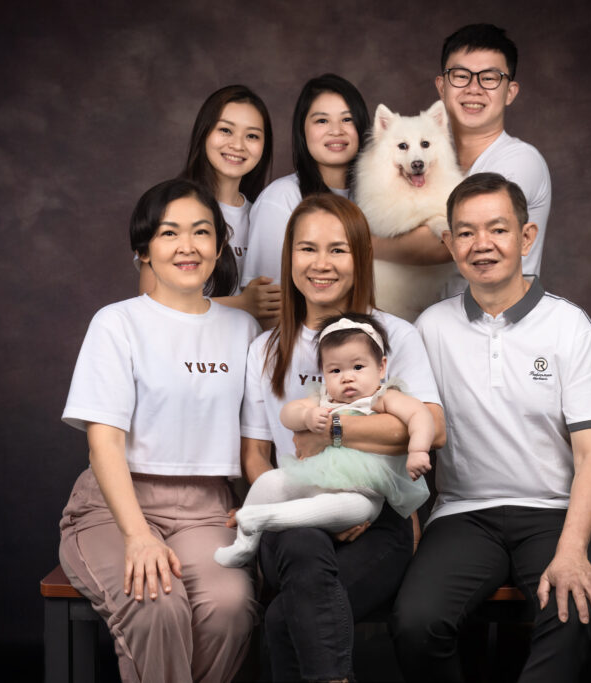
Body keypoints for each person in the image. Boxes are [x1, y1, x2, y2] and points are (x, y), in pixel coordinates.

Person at [390, 173, 591, 682]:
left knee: (569, 611)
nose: (482, 245)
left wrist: (572, 550)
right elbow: (399, 422)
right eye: (466, 232)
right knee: (415, 623)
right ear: (450, 243)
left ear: (526, 236)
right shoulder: (430, 328)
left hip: (555, 514)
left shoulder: (570, 327)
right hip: (464, 516)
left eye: (497, 229)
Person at [60, 178, 261, 683]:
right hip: (115, 506)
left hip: (207, 510)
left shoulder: (244, 331)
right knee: (157, 602)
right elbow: (102, 440)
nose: (187, 246)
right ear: (144, 248)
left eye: (201, 232)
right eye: (170, 233)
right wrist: (137, 535)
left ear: (219, 246)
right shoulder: (117, 323)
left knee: (230, 606)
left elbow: (254, 438)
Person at [239, 193, 445, 681]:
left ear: (361, 257)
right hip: (289, 517)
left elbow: (429, 428)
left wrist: (331, 429)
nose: (321, 264)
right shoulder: (263, 351)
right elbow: (255, 456)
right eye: (307, 249)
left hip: (378, 521)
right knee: (302, 544)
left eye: (338, 249)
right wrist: (307, 501)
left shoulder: (395, 336)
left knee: (283, 618)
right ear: (290, 257)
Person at [214, 312, 432, 568]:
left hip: (363, 490)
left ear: (381, 367)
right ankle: (245, 544)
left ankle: (262, 517)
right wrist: (306, 416)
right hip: (312, 478)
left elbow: (421, 415)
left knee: (354, 509)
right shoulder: (323, 399)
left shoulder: (383, 397)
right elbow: (288, 414)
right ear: (324, 373)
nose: (347, 377)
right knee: (271, 482)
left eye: (358, 367)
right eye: (335, 370)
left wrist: (418, 450)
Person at [372, 23, 552, 296]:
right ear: (442, 87)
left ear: (511, 92)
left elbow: (447, 243)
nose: (474, 89)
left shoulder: (520, 161)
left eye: (489, 78)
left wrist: (356, 245)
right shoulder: (434, 161)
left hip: (499, 326)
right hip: (435, 326)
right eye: (461, 76)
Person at [138, 85, 281, 324]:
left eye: (252, 136)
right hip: (189, 356)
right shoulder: (170, 207)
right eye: (226, 130)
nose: (238, 145)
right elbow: (150, 309)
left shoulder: (265, 214)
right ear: (204, 132)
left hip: (250, 356)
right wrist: (242, 304)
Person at [239, 73, 371, 288]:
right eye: (322, 120)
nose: (336, 131)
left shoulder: (376, 199)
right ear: (303, 130)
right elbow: (268, 299)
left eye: (347, 119)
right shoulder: (282, 198)